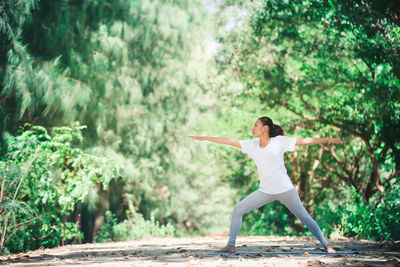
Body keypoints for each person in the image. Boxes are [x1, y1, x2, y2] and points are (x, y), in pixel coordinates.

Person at [188, 116, 344, 253]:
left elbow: (304, 141)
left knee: (304, 216)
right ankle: (231, 245)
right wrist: (207, 138)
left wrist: (327, 140)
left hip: (285, 189)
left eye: (256, 125)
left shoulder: (279, 142)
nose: (253, 128)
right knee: (238, 209)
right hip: (266, 191)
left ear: (265, 128)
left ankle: (326, 245)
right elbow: (230, 141)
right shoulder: (252, 145)